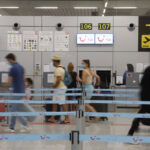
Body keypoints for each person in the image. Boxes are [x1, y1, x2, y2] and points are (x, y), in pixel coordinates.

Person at [4, 53, 30, 133]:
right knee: (15, 109)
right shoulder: (21, 67)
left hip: (17, 92)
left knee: (14, 110)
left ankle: (18, 126)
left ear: (10, 59)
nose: (7, 62)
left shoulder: (12, 69)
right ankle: (16, 126)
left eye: (8, 60)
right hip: (21, 91)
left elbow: (8, 82)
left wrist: (2, 88)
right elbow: (24, 80)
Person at [127, 66, 150, 136]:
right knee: (141, 113)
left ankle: (130, 132)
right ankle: (130, 132)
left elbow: (142, 83)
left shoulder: (147, 69)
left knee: (140, 113)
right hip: (147, 95)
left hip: (144, 94)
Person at [48, 56, 70, 124]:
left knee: (62, 103)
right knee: (54, 103)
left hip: (59, 88)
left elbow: (58, 79)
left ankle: (67, 118)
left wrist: (53, 88)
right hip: (58, 88)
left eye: (53, 61)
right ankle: (52, 118)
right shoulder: (62, 68)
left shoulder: (58, 69)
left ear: (55, 61)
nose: (53, 63)